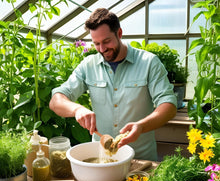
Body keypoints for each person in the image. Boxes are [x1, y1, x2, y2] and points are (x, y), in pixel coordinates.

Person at [49, 8, 177, 161]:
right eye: (96, 44)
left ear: (119, 33)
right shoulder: (88, 65)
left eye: (106, 41)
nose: (102, 49)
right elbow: (56, 101)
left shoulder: (149, 62)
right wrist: (77, 109)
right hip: (102, 159)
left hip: (141, 160)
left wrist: (141, 126)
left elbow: (168, 106)